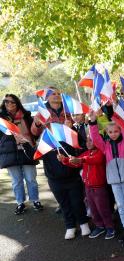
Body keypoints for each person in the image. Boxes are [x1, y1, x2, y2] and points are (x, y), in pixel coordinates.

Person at [31, 87, 89, 240]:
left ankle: (83, 222)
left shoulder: (69, 110)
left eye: (58, 93)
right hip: (51, 153)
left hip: (70, 151)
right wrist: (37, 124)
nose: (56, 96)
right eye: (53, 94)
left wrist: (71, 128)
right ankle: (70, 225)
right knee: (63, 199)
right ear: (47, 98)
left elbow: (81, 129)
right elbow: (34, 132)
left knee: (77, 197)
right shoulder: (42, 112)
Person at [89, 110, 124, 243]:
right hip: (114, 180)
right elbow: (95, 137)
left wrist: (114, 116)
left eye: (116, 131)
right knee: (121, 205)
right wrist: (93, 122)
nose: (113, 134)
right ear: (107, 133)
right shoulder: (105, 145)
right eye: (110, 132)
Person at [58, 134, 115, 239]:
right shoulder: (86, 153)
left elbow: (95, 160)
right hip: (88, 186)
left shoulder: (101, 153)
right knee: (93, 209)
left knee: (103, 208)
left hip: (99, 187)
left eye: (91, 141)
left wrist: (80, 160)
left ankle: (110, 227)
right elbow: (76, 163)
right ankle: (99, 226)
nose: (88, 143)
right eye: (87, 141)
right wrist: (65, 160)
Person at [0, 94, 42, 214]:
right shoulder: (1, 118)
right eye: (7, 102)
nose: (10, 104)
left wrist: (37, 126)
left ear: (17, 103)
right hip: (9, 153)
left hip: (27, 150)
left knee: (31, 178)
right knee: (16, 180)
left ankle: (35, 200)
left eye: (13, 102)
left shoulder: (26, 116)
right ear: (4, 103)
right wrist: (13, 139)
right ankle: (20, 203)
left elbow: (35, 134)